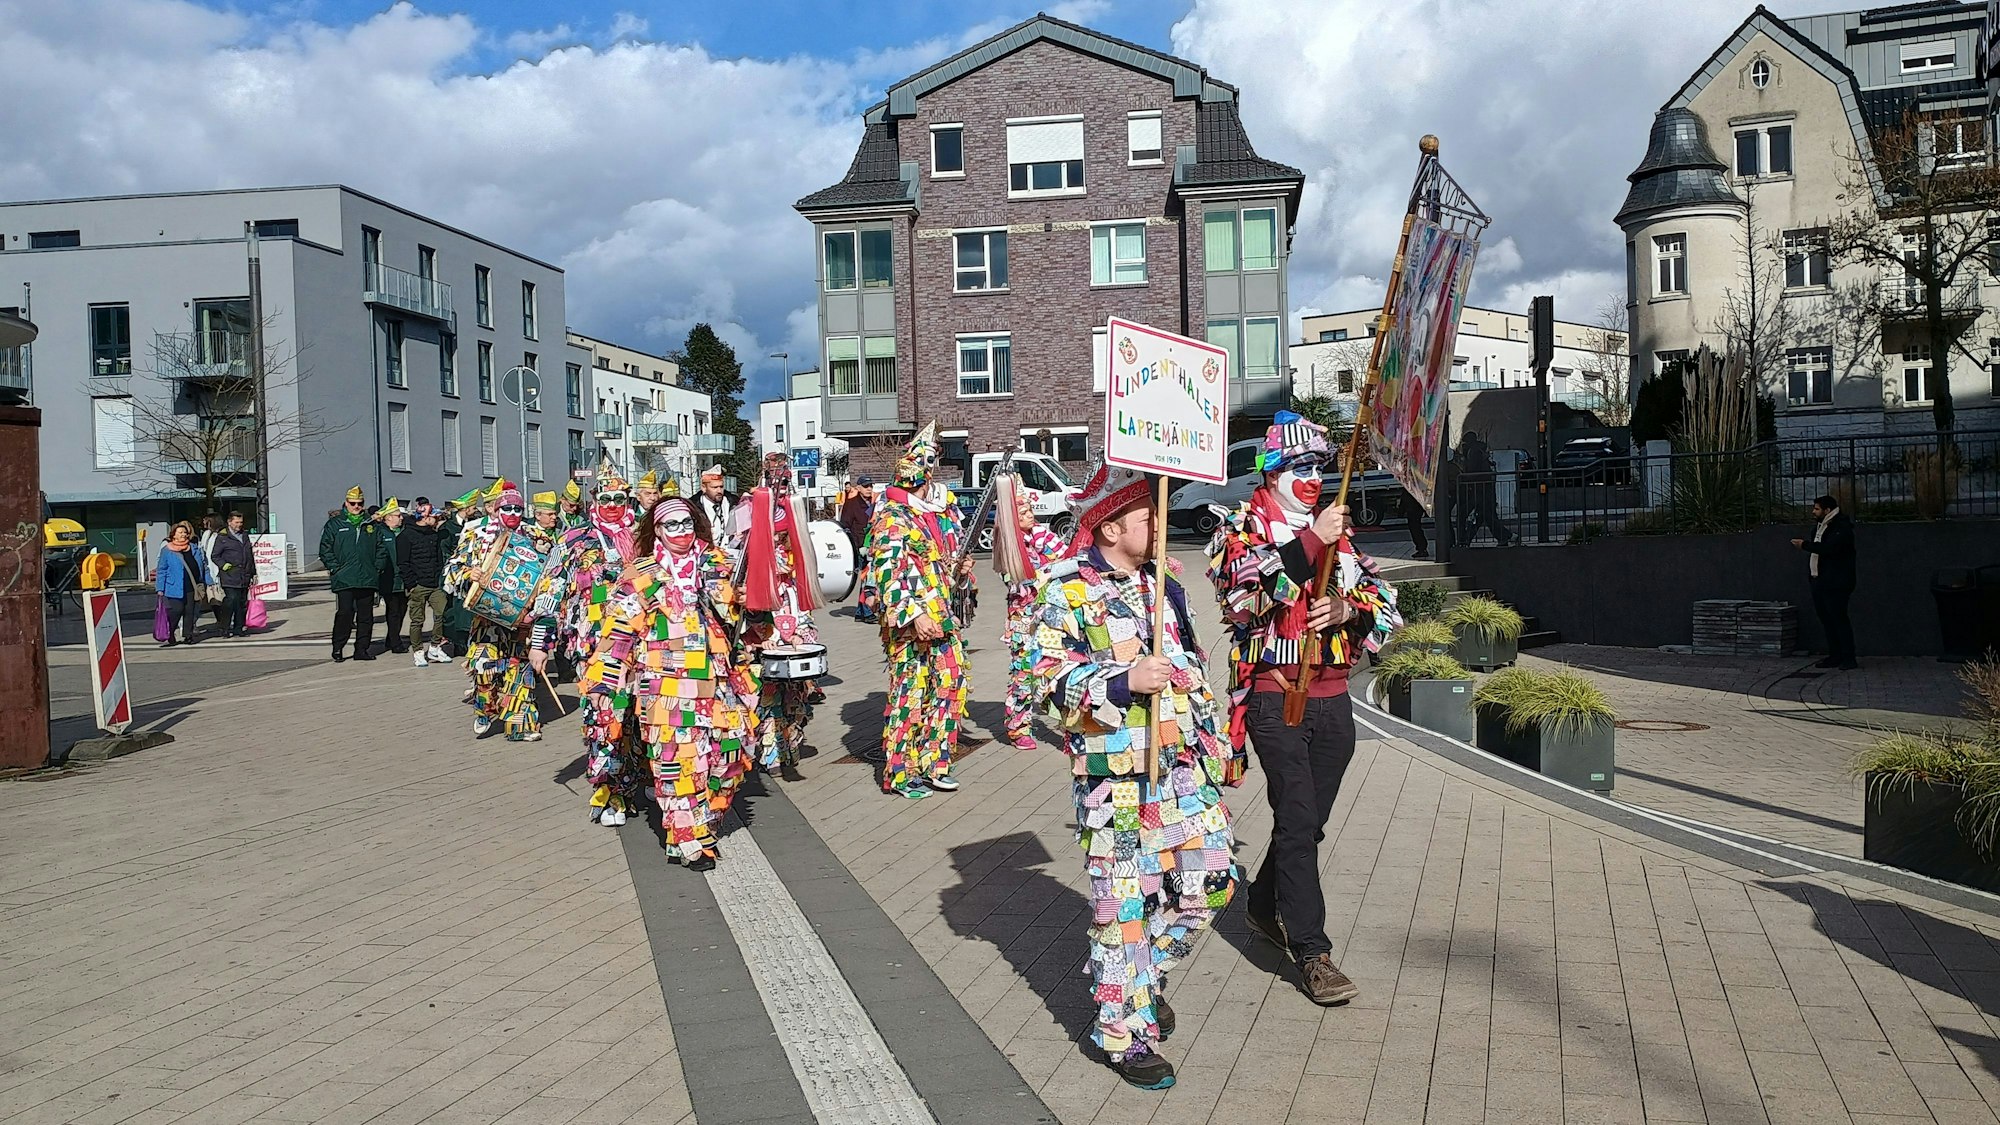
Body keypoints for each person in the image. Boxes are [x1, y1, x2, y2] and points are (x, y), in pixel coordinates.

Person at [1025, 464, 1237, 1091]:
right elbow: (1037, 682)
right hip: (1114, 783)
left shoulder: (1165, 581)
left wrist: (1216, 745)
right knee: (1123, 912)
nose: (1161, 523)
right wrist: (1119, 682)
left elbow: (1193, 668)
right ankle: (1122, 1033)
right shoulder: (1061, 587)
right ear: (1112, 524)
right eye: (1149, 515)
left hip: (1181, 773)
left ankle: (1144, 974)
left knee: (1212, 883)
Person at [1208, 411, 1399, 1007]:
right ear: (1271, 472)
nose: (1313, 476)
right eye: (1299, 466)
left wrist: (1346, 609)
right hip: (1273, 696)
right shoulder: (1240, 528)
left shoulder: (1339, 536)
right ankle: (1312, 952)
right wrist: (1312, 538)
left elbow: (1386, 604)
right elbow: (1244, 596)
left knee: (1306, 823)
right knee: (1295, 816)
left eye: (1319, 465)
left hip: (1334, 697)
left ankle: (1263, 906)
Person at [579, 497, 755, 870]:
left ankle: (702, 822)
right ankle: (687, 840)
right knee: (678, 766)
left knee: (731, 759)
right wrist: (603, 682)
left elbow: (747, 620)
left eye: (687, 523)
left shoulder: (720, 565)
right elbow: (619, 631)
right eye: (671, 524)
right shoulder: (640, 574)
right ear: (657, 530)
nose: (681, 531)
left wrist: (750, 603)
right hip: (666, 689)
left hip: (719, 682)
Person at [866, 423, 973, 798]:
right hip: (910, 622)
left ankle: (935, 762)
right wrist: (915, 615)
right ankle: (901, 771)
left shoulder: (940, 514)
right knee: (910, 692)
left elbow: (947, 565)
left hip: (944, 616)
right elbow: (888, 572)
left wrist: (960, 572)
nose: (923, 474)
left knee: (950, 683)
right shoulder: (892, 516)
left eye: (928, 464)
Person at [538, 462, 641, 826]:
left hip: (642, 645)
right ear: (594, 499)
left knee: (637, 718)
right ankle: (609, 791)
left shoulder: (646, 537)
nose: (613, 504)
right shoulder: (576, 539)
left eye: (620, 498)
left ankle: (633, 783)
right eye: (606, 497)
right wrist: (541, 642)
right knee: (604, 716)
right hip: (595, 645)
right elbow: (550, 589)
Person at [442, 482, 548, 741]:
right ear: (496, 510)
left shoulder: (536, 536)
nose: (513, 513)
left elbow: (551, 571)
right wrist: (470, 573)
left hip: (522, 618)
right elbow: (451, 570)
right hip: (486, 618)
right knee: (483, 666)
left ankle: (520, 726)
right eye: (507, 508)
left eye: (518, 508)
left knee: (519, 670)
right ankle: (485, 709)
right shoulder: (476, 535)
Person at [739, 450, 822, 774]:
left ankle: (790, 745)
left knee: (796, 689)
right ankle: (770, 753)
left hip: (790, 602)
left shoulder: (794, 506)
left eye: (785, 474)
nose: (782, 478)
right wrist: (762, 627)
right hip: (763, 605)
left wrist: (800, 626)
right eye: (777, 473)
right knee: (767, 691)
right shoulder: (751, 509)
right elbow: (743, 567)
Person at [994, 472, 1069, 750]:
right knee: (1024, 673)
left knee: (1060, 668)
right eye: (1022, 510)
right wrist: (1048, 573)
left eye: (1029, 507)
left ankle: (1070, 727)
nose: (1029, 513)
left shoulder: (1041, 533)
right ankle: (1017, 727)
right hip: (1023, 618)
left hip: (1052, 613)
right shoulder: (1008, 545)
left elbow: (1065, 556)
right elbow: (1018, 579)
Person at [320, 485, 388, 662]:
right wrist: (335, 568)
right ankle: (338, 646)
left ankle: (362, 649)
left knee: (366, 617)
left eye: (360, 503)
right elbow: (325, 548)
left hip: (367, 577)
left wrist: (377, 567)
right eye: (353, 503)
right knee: (345, 613)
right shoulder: (335, 524)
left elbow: (382, 548)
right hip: (345, 578)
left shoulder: (371, 524)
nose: (356, 506)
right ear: (346, 503)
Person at [1793, 494, 1857, 669]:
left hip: (1836, 582)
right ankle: (1835, 655)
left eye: (1816, 508)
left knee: (1839, 618)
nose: (1813, 512)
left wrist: (1804, 545)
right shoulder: (1819, 528)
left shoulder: (1841, 527)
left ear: (1827, 510)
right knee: (1826, 619)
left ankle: (1848, 657)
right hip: (1819, 580)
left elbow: (1829, 549)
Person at [396, 500, 450, 665]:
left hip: (435, 584)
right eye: (434, 516)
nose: (437, 519)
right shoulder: (405, 536)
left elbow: (438, 558)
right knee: (417, 620)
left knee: (442, 614)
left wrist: (441, 577)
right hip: (418, 585)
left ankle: (434, 648)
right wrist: (411, 584)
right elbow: (403, 563)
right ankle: (418, 651)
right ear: (425, 517)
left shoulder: (433, 534)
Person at [154, 521, 217, 647]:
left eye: (185, 532)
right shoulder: (167, 550)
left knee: (190, 611)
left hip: (192, 585)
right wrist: (160, 588)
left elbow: (204, 566)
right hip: (174, 586)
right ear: (174, 535)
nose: (183, 534)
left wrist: (209, 581)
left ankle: (188, 635)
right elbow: (161, 570)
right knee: (177, 610)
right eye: (180, 532)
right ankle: (170, 632)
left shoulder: (194, 548)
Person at [1454, 430, 1512, 547]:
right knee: (1484, 516)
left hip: (1478, 489)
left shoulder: (1473, 452)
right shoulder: (1478, 450)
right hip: (1484, 487)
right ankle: (1503, 536)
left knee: (1473, 515)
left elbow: (1472, 471)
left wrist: (1464, 480)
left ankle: (1464, 540)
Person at [209, 510, 258, 637]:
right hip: (230, 575)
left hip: (244, 575)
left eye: (241, 522)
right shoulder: (222, 537)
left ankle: (238, 627)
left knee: (242, 603)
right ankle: (224, 627)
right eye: (236, 522)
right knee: (231, 600)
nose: (239, 525)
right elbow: (215, 555)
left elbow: (249, 556)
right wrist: (224, 565)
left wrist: (253, 573)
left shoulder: (244, 535)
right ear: (229, 522)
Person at [375, 499, 410, 655]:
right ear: (388, 517)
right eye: (397, 515)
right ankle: (395, 642)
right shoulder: (380, 532)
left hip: (404, 577)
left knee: (402, 609)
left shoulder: (404, 531)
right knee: (393, 610)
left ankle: (392, 638)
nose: (401, 518)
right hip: (388, 578)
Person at [695, 464, 736, 545]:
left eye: (721, 487)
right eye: (714, 487)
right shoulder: (694, 507)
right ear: (704, 488)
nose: (719, 491)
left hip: (730, 552)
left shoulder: (731, 501)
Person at [1397, 486, 1430, 559]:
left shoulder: (1410, 486)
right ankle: (1421, 548)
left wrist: (1401, 511)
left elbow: (1405, 498)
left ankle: (1421, 548)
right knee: (1416, 528)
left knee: (1415, 528)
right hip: (1415, 508)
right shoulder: (1414, 486)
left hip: (1413, 508)